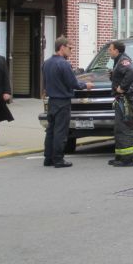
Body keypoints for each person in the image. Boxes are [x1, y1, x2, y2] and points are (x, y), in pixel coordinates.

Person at [42, 37, 93, 168]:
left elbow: (45, 82)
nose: (71, 51)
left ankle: (48, 158)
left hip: (52, 100)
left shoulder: (46, 63)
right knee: (61, 131)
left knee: (51, 130)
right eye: (70, 48)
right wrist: (85, 85)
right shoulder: (64, 64)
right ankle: (58, 159)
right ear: (62, 47)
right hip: (62, 101)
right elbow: (73, 83)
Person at [108, 40, 133, 167]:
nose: (109, 51)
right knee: (119, 128)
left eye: (110, 49)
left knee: (124, 128)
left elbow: (131, 72)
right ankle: (120, 157)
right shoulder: (118, 61)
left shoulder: (123, 60)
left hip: (125, 99)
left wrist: (122, 87)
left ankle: (127, 159)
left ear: (116, 50)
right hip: (120, 100)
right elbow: (123, 74)